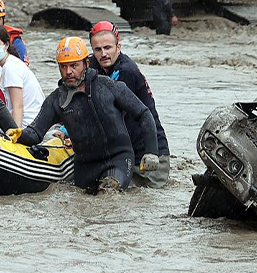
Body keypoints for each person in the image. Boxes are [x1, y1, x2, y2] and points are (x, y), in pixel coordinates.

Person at [11, 37, 160, 193]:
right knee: (80, 205)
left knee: (108, 192)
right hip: (85, 166)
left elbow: (143, 113)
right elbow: (36, 133)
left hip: (118, 159)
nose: (68, 72)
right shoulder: (56, 99)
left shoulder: (109, 86)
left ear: (86, 64)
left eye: (74, 65)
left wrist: (151, 152)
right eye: (63, 66)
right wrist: (19, 134)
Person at [88, 21, 170, 188]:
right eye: (98, 49)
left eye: (108, 48)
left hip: (148, 154)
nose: (103, 54)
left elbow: (108, 116)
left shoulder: (127, 71)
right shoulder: (94, 66)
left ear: (118, 47)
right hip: (124, 153)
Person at [0, 25, 44, 129]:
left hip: (27, 125)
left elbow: (18, 106)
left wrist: (15, 136)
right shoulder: (8, 64)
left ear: (6, 45)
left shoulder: (11, 68)